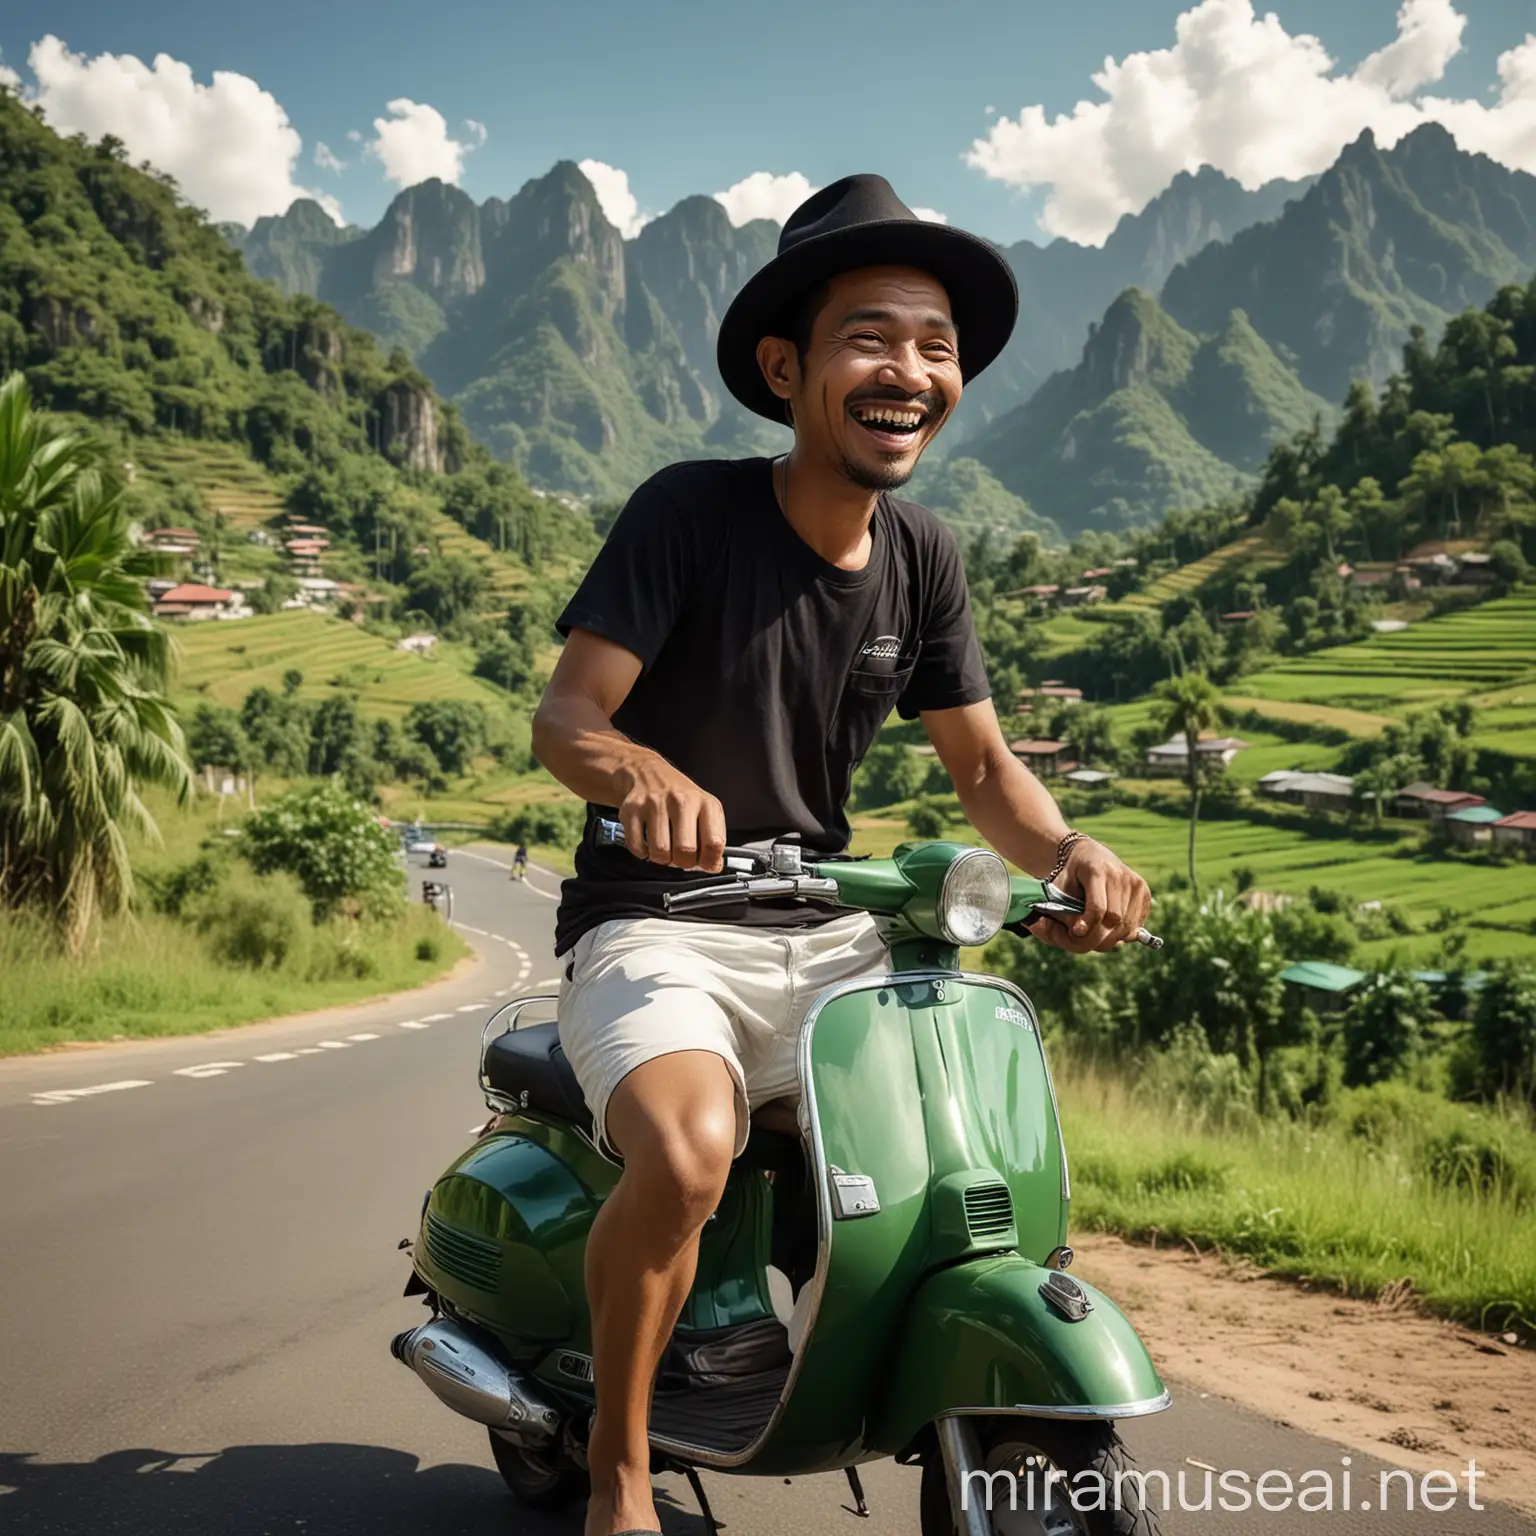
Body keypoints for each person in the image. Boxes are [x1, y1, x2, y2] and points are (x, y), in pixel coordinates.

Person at [531, 174, 1152, 1536]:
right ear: (785, 364)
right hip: (660, 924)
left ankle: (846, 1361)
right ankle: (621, 1475)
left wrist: (1075, 852)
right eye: (873, 336)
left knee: (957, 1164)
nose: (910, 371)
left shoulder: (923, 558)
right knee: (693, 1156)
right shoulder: (688, 514)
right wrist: (638, 772)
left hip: (822, 924)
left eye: (937, 348)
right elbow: (570, 713)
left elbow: (985, 771)